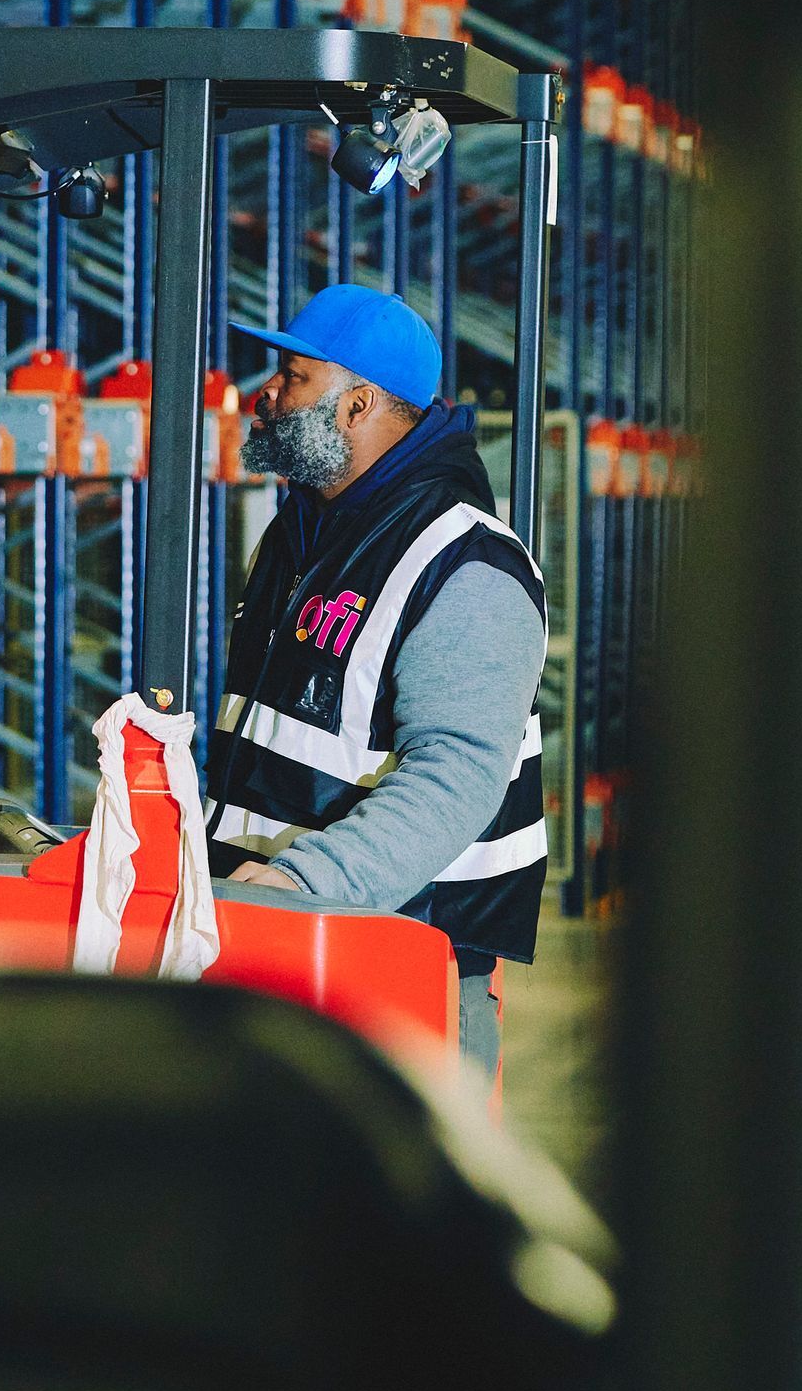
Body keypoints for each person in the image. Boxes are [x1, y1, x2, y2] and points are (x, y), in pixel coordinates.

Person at [204, 283, 548, 1080]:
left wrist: (305, 879)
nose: (267, 395)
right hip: (283, 940)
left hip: (399, 963)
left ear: (358, 406)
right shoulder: (300, 537)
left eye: (293, 377)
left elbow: (456, 775)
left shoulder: (467, 565)